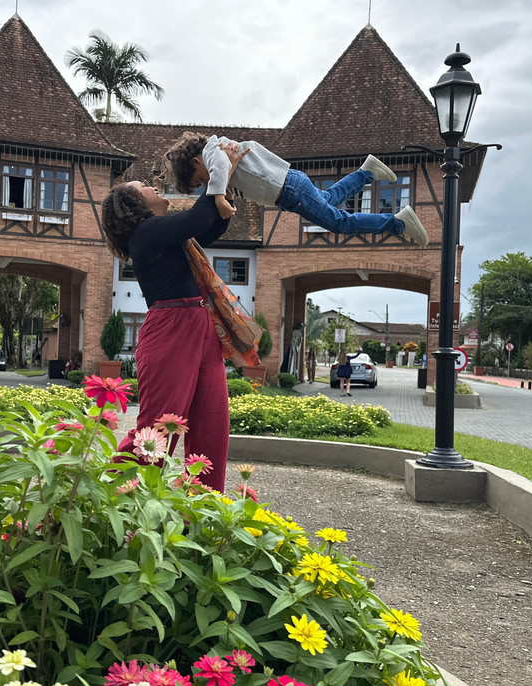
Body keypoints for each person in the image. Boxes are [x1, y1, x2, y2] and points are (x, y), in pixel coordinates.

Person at [99, 144, 249, 492]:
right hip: (170, 330)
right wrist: (218, 171)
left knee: (212, 427)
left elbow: (209, 228)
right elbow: (198, 218)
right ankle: (110, 496)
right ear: (134, 205)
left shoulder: (168, 236)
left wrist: (224, 180)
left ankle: (203, 510)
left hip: (199, 326)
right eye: (143, 187)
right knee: (156, 431)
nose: (152, 185)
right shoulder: (145, 234)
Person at [164, 132, 429, 245]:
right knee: (328, 198)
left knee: (339, 223)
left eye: (200, 180)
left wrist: (219, 197)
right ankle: (366, 172)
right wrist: (226, 192)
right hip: (290, 187)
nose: (205, 185)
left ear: (195, 161)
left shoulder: (213, 151)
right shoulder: (216, 154)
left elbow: (221, 167)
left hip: (289, 189)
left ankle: (397, 223)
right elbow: (229, 174)